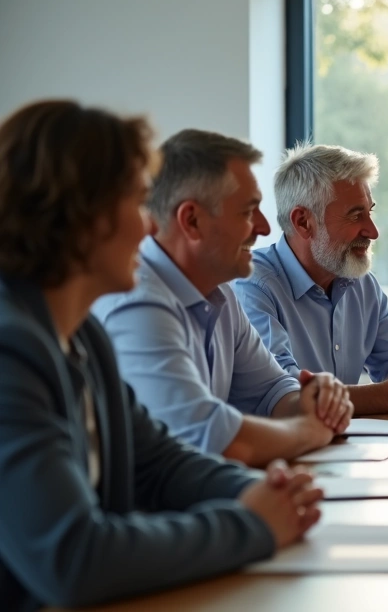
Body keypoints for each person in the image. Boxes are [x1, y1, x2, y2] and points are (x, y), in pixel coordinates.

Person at [0, 100, 324, 611]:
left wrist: (266, 493)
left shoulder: (84, 339)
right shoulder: (10, 352)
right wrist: (252, 524)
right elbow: (73, 558)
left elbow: (158, 463)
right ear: (79, 218)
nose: (148, 228)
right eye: (135, 203)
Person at [93, 130, 353, 467]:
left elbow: (272, 392)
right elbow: (210, 438)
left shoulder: (220, 293)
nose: (263, 227)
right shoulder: (137, 304)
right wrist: (310, 432)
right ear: (192, 221)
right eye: (248, 212)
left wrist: (316, 401)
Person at [235, 142, 388, 415]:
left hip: (342, 449)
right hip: (278, 454)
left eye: (370, 212)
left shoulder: (361, 282)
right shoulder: (252, 285)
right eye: (356, 215)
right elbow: (281, 393)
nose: (373, 231)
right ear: (303, 222)